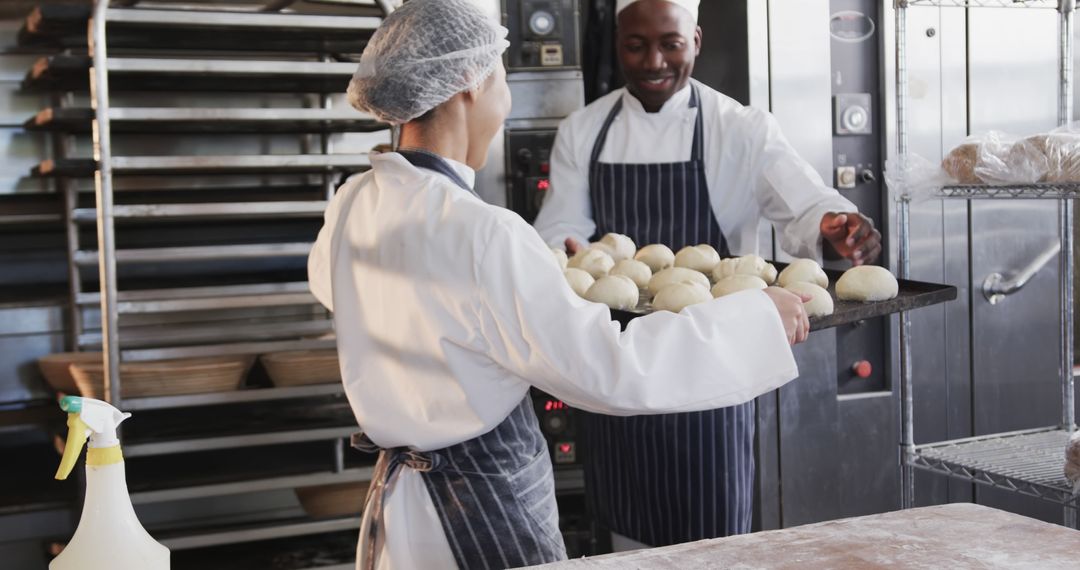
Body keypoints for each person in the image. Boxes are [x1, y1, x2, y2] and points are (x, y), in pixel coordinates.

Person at [308, 0, 812, 568]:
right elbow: (608, 368)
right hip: (480, 511)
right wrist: (756, 318)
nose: (507, 100)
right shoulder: (483, 232)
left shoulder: (351, 205)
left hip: (405, 509)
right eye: (502, 79)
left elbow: (353, 299)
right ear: (469, 87)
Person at [532, 0, 883, 551]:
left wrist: (836, 224)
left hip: (713, 367)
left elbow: (806, 202)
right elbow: (560, 230)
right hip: (619, 366)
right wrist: (565, 248)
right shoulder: (585, 130)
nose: (653, 61)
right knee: (623, 539)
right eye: (635, 44)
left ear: (695, 39)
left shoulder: (739, 127)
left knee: (713, 541)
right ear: (615, 41)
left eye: (670, 43)